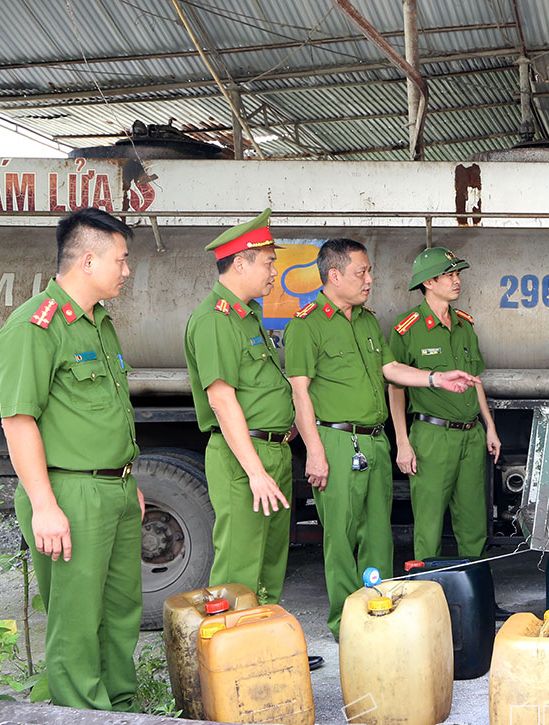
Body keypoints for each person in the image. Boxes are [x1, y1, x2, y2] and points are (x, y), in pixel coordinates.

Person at [284, 238, 478, 639]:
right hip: (336, 441)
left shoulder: (368, 321)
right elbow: (299, 392)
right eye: (361, 272)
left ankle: (378, 613)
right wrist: (314, 452)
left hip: (373, 441)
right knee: (341, 538)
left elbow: (391, 369)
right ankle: (345, 623)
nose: (370, 279)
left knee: (378, 537)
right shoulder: (307, 325)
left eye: (369, 271)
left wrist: (436, 378)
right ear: (334, 275)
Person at [0, 207, 143, 711]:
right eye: (121, 260)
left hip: (116, 488)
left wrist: (129, 479)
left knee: (121, 612)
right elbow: (19, 421)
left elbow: (104, 414)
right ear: (88, 261)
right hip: (70, 493)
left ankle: (121, 712)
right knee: (76, 619)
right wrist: (44, 505)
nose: (126, 270)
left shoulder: (99, 323)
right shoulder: (34, 326)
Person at [183, 209, 297, 611]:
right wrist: (255, 471)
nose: (274, 272)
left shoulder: (248, 317)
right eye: (268, 262)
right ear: (240, 263)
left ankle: (262, 641)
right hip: (244, 457)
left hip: (272, 450)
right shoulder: (216, 320)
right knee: (239, 570)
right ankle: (229, 647)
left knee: (269, 566)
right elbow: (221, 399)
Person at [389, 246, 500, 561]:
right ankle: (428, 587)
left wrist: (489, 427)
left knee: (474, 523)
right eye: (448, 275)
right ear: (428, 283)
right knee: (430, 524)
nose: (457, 281)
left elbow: (475, 380)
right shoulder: (407, 328)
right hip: (432, 437)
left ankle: (477, 588)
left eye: (457, 274)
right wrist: (402, 443)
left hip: (471, 435)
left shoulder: (464, 325)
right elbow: (395, 387)